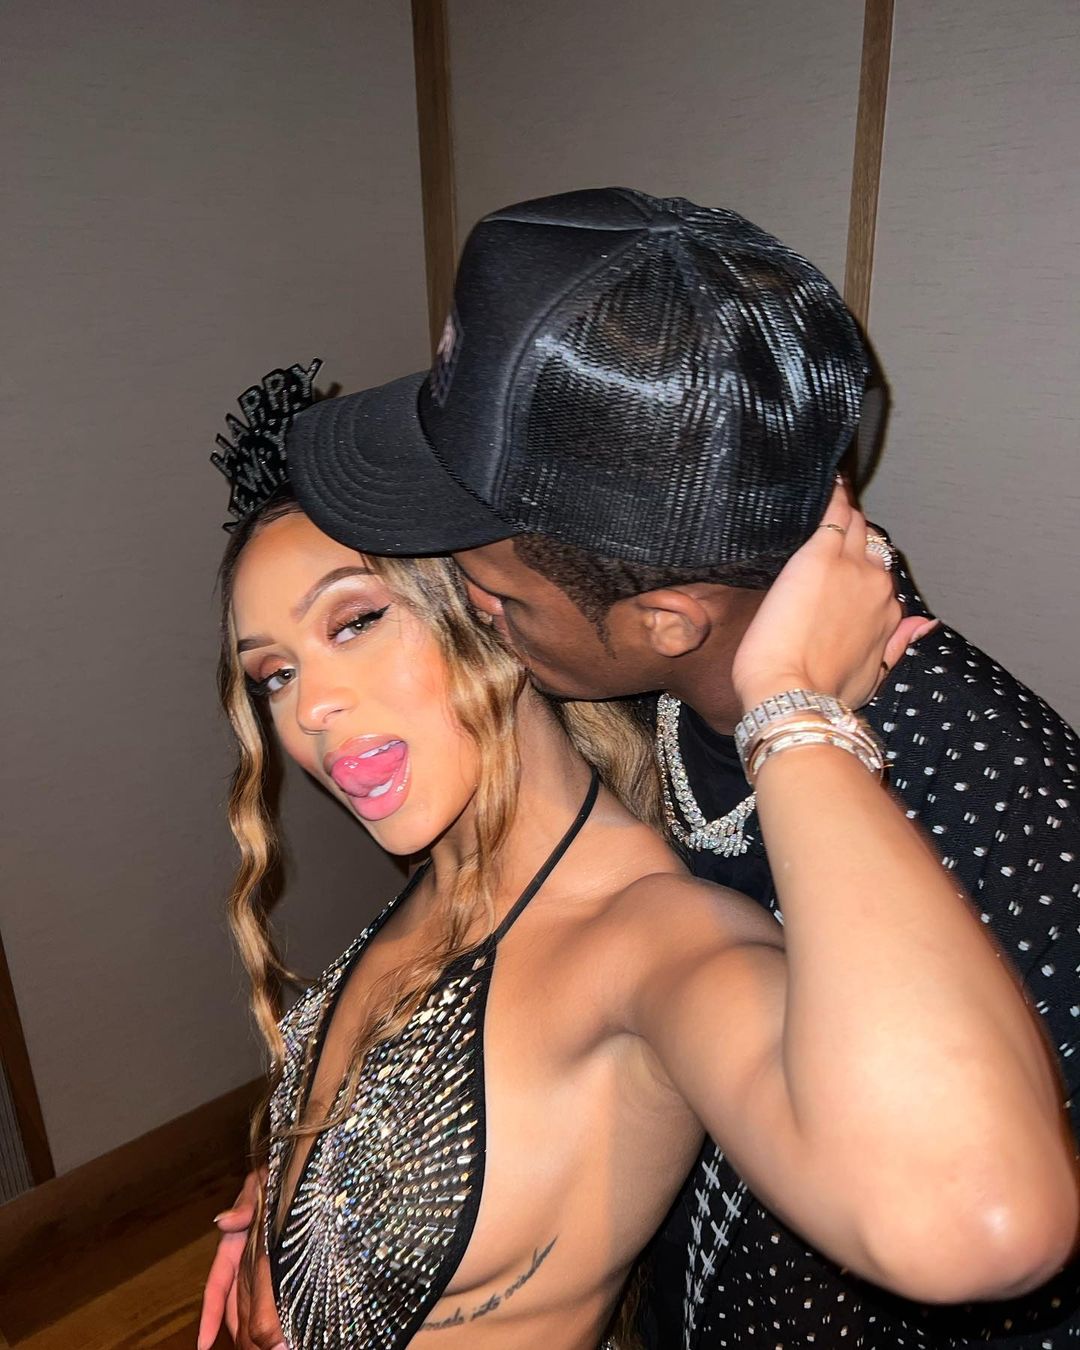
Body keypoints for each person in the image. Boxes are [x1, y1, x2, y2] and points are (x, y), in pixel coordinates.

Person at [205, 188, 1080, 1349]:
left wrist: (794, 713)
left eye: (492, 594)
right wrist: (331, 1211)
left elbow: (981, 1223)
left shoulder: (1007, 823)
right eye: (274, 673)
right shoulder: (643, 693)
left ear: (664, 620)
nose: (472, 601)